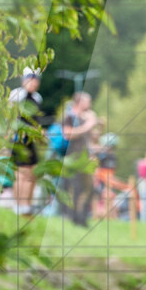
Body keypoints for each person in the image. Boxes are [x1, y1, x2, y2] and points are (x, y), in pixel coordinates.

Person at [7, 67, 44, 216]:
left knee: (32, 172)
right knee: (21, 173)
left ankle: (27, 204)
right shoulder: (17, 95)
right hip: (19, 138)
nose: (33, 83)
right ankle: (19, 204)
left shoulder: (37, 98)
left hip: (31, 140)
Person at [61, 92, 98, 226]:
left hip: (85, 157)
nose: (90, 104)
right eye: (88, 101)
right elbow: (67, 134)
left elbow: (91, 138)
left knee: (89, 188)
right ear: (80, 102)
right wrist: (87, 126)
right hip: (73, 157)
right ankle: (74, 217)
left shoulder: (86, 117)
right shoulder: (69, 116)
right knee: (75, 187)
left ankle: (82, 217)